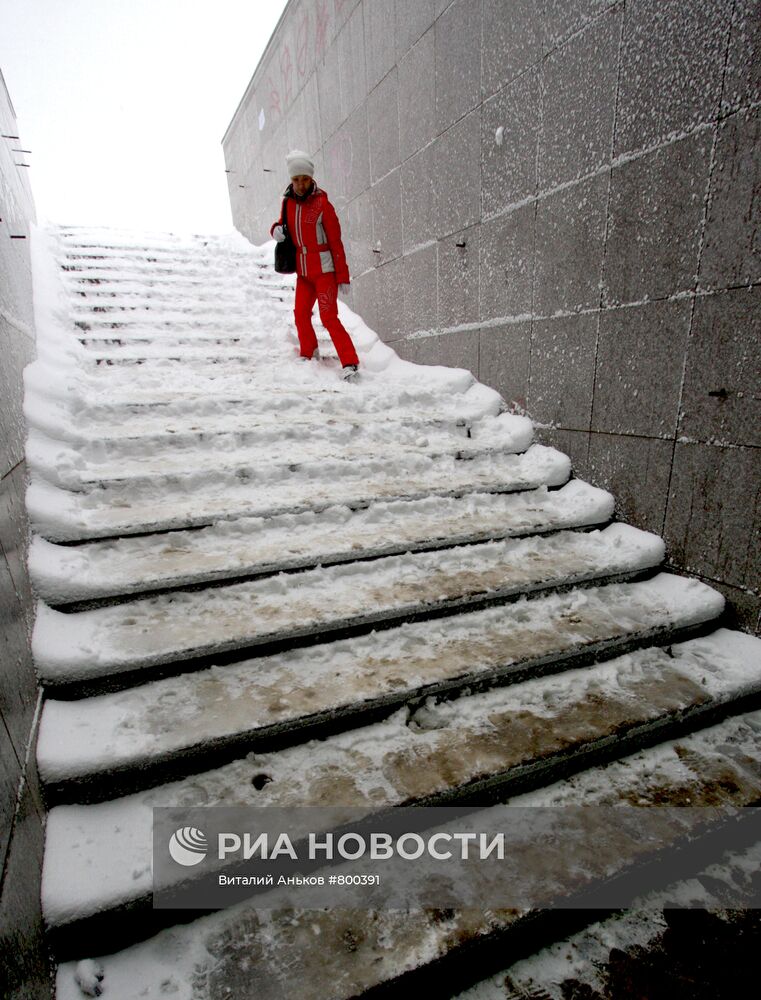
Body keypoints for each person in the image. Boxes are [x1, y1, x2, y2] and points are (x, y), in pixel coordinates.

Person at [271, 150, 359, 381]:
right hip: (303, 273)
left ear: (311, 178)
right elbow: (282, 225)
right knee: (300, 314)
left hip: (325, 272)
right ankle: (308, 352)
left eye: (304, 179)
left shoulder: (323, 205)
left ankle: (350, 362)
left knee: (329, 317)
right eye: (296, 179)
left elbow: (336, 243)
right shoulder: (287, 203)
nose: (300, 184)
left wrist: (343, 276)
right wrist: (275, 230)